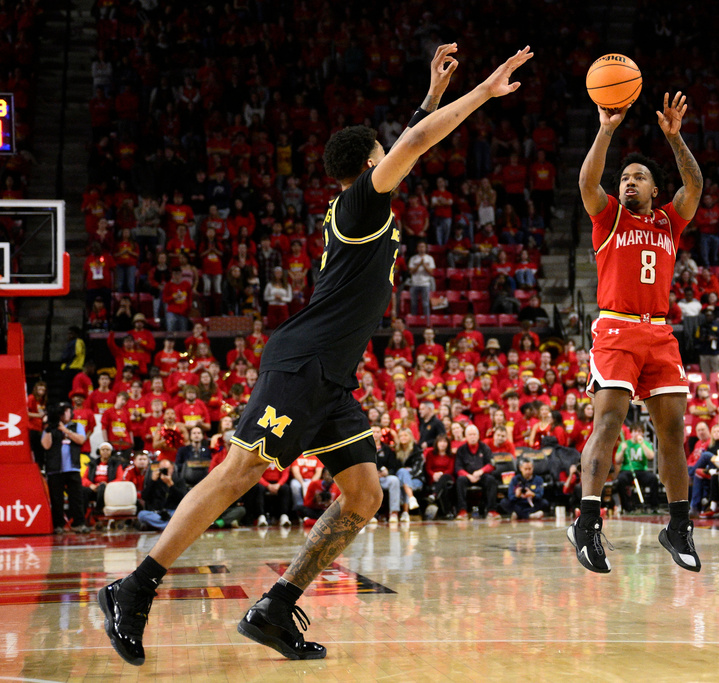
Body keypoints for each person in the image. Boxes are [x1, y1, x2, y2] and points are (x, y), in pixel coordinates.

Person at [98, 43, 535, 665]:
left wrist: (431, 95)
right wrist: (482, 93)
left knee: (363, 495)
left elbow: (406, 138)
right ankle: (133, 588)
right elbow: (412, 146)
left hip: (330, 375)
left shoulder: (356, 202)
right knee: (241, 471)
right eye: (385, 156)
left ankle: (275, 607)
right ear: (369, 165)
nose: (397, 156)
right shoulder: (362, 200)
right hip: (302, 361)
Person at [568, 91, 703, 574]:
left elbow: (695, 186)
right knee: (609, 422)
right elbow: (587, 180)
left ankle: (679, 525)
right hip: (617, 329)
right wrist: (606, 128)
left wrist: (675, 138)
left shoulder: (669, 221)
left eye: (638, 177)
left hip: (660, 333)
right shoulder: (608, 216)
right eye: (624, 177)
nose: (628, 182)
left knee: (672, 433)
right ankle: (587, 522)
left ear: (653, 188)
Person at [42, 402, 89, 533]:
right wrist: (48, 428)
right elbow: (45, 445)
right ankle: (58, 525)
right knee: (56, 499)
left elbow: (81, 440)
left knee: (77, 498)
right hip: (55, 469)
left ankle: (79, 523)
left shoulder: (76, 426)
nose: (65, 414)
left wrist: (65, 430)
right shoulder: (51, 427)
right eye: (62, 412)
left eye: (67, 411)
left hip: (72, 468)